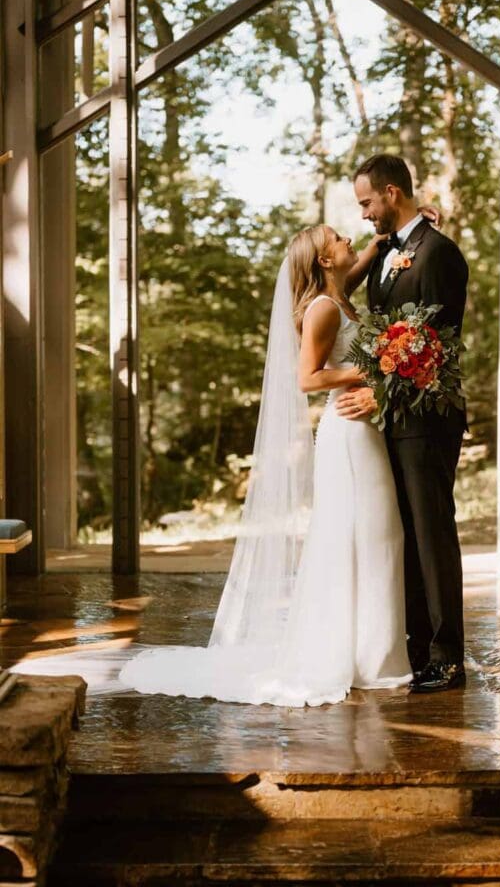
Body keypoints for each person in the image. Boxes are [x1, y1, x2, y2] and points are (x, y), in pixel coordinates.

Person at [111, 223, 413, 706]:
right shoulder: (321, 310)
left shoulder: (339, 299)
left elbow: (346, 282)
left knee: (375, 537)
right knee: (367, 536)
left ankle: (373, 656)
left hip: (362, 431)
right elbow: (308, 378)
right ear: (323, 260)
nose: (347, 240)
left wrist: (379, 245)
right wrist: (378, 367)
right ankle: (359, 659)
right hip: (348, 433)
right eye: (338, 239)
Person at [336, 154, 468, 693]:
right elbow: (333, 284)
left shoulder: (438, 254)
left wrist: (376, 391)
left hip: (426, 419)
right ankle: (417, 650)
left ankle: (447, 655)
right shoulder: (393, 250)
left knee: (432, 533)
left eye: (367, 202)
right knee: (406, 534)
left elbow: (434, 347)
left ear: (392, 193)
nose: (364, 213)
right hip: (394, 421)